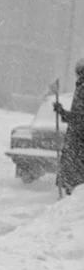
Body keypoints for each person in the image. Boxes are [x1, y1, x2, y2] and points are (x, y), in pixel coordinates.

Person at [53, 59, 84, 195]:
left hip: (78, 143)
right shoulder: (80, 88)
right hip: (76, 142)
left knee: (75, 182)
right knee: (73, 181)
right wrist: (63, 112)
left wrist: (64, 113)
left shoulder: (82, 89)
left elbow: (79, 118)